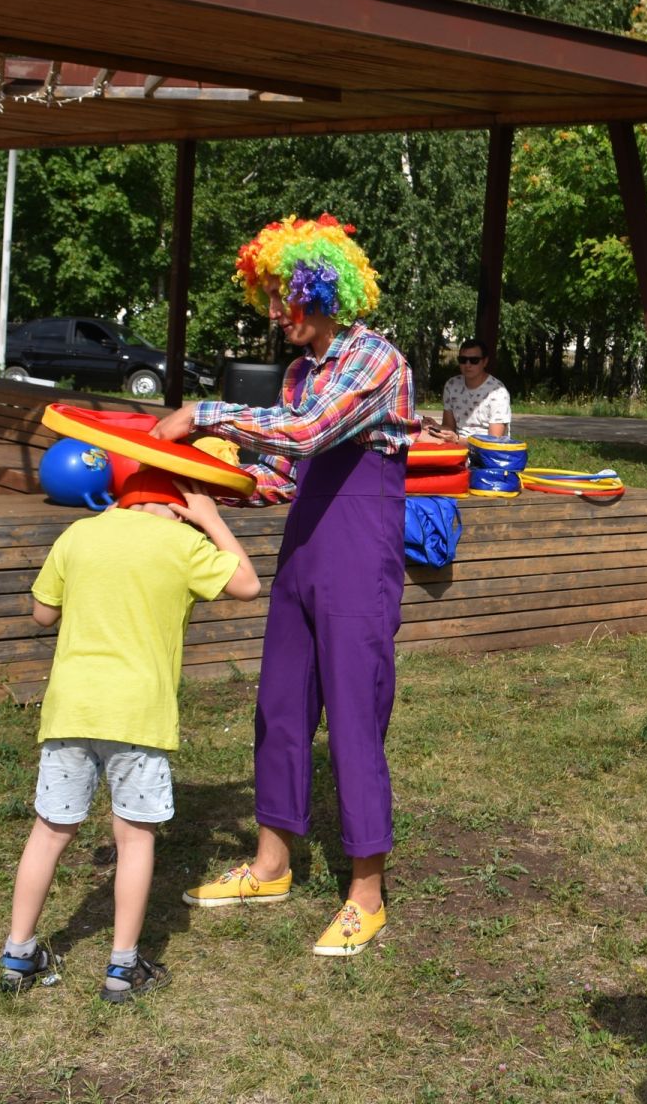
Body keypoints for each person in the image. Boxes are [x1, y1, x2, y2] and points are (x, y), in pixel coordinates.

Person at [153, 213, 418, 958]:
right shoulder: (303, 372)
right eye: (268, 297)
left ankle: (367, 894)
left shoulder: (376, 360)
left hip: (358, 560)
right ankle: (271, 865)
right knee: (279, 707)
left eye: (283, 297)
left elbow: (307, 434)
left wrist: (206, 413)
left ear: (319, 289)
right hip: (304, 555)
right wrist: (211, 485)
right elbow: (284, 471)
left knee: (356, 720)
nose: (274, 313)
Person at [0, 468, 261, 999]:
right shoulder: (183, 543)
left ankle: (18, 955)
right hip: (138, 713)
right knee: (134, 839)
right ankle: (122, 968)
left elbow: (42, 612)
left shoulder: (79, 533)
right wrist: (211, 521)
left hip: (72, 708)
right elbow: (247, 586)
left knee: (49, 831)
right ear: (181, 501)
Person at [435, 338, 510, 439]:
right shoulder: (451, 385)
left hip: (485, 452)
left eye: (474, 360)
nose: (467, 365)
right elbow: (449, 428)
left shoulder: (498, 392)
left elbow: (493, 441)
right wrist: (436, 427)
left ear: (485, 362)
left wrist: (457, 440)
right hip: (456, 445)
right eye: (463, 360)